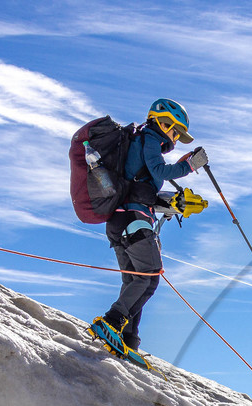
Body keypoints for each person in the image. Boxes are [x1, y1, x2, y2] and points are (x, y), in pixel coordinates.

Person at [89, 98, 208, 359]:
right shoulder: (150, 137)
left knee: (135, 279)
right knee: (149, 276)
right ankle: (111, 322)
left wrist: (169, 202)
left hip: (120, 221)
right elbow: (159, 169)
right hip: (133, 220)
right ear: (161, 122)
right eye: (174, 129)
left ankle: (129, 340)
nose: (175, 137)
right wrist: (190, 165)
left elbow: (143, 183)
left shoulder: (139, 143)